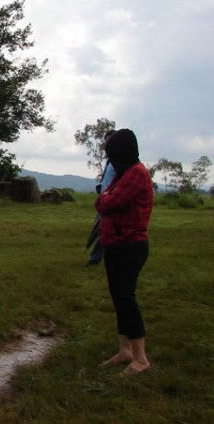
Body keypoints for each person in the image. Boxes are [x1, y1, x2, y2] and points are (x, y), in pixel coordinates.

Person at [95, 129, 153, 376]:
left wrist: (104, 198)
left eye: (113, 154)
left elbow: (109, 202)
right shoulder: (124, 174)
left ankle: (140, 358)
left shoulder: (136, 174)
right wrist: (104, 197)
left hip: (129, 246)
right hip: (115, 244)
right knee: (119, 299)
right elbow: (105, 195)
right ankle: (125, 350)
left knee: (127, 300)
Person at [86, 130, 117, 266]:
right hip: (104, 199)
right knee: (101, 228)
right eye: (106, 142)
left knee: (104, 229)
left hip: (112, 200)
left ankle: (95, 258)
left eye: (110, 141)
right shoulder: (110, 160)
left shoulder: (119, 161)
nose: (108, 144)